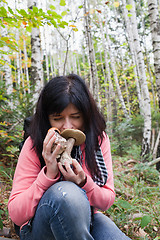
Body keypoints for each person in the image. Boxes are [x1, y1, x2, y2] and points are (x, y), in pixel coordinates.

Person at [8, 74, 131, 240]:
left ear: (87, 115)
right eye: (57, 118)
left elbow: (106, 201)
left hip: (86, 217)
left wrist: (83, 182)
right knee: (66, 194)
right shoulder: (34, 143)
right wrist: (48, 175)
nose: (67, 126)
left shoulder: (98, 140)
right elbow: (16, 214)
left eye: (76, 117)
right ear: (47, 118)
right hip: (37, 227)